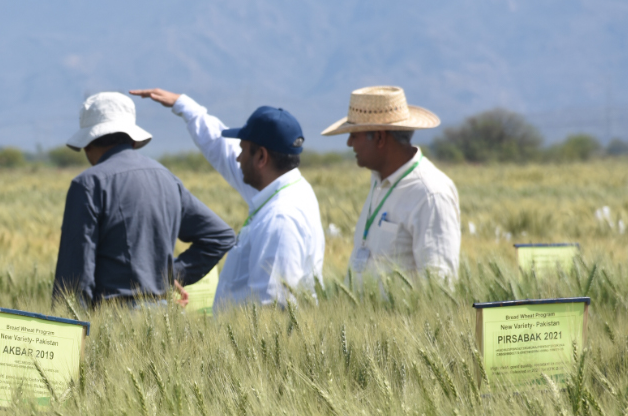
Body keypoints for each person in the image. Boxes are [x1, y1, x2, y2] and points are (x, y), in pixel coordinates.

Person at [131, 88, 324, 310]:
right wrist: (186, 107)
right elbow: (223, 151)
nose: (238, 157)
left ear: (261, 157)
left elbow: (272, 310)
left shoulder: (281, 218)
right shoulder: (285, 189)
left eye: (242, 150)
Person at [52, 92, 236, 308]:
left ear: (88, 143)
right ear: (132, 138)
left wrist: (66, 330)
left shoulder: (88, 184)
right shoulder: (167, 178)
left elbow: (74, 277)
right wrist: (167, 276)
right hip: (164, 318)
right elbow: (220, 236)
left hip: (110, 324)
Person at [321, 85, 460, 281]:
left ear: (379, 138)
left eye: (354, 135)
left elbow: (440, 285)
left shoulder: (430, 194)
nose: (349, 143)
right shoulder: (378, 181)